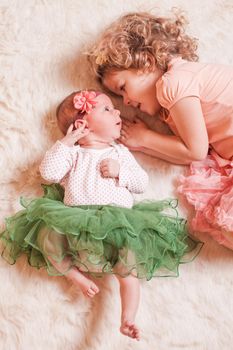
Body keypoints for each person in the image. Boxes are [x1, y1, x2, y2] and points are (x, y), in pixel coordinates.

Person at [0, 90, 201, 341]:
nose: (117, 111)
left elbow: (141, 182)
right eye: (107, 109)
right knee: (47, 240)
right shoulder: (72, 153)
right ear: (82, 124)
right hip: (76, 221)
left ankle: (128, 317)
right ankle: (75, 276)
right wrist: (67, 141)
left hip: (119, 222)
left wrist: (120, 173)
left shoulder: (119, 153)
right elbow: (49, 173)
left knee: (128, 272)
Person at [89, 11, 233, 250]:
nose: (125, 102)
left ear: (147, 61)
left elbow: (195, 151)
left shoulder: (173, 83)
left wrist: (145, 137)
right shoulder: (172, 102)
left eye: (123, 87)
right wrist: (142, 144)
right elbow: (187, 153)